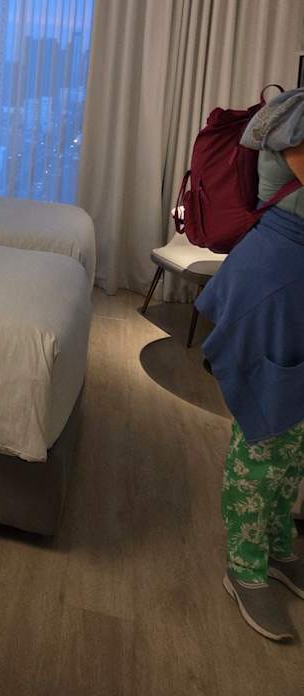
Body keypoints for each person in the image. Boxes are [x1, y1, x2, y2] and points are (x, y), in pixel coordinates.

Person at [197, 86, 304, 642]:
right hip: (275, 287)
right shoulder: (297, 112)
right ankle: (245, 567)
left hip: (292, 286)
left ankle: (280, 546)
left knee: (295, 435)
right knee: (264, 432)